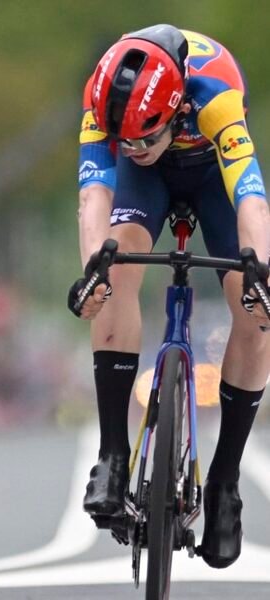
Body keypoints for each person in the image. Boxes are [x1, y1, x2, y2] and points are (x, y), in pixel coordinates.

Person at [69, 24, 267, 569]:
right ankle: (112, 454)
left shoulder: (216, 95)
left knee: (255, 310)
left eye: (143, 138)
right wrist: (94, 270)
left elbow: (251, 197)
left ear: (177, 109)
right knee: (114, 272)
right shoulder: (103, 97)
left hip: (212, 175)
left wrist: (258, 269)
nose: (133, 148)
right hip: (146, 184)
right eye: (123, 140)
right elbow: (94, 195)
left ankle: (225, 483)